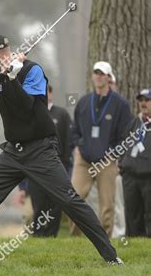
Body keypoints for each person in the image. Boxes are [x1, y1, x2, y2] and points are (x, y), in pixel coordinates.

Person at [0, 32, 121, 271]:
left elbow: (27, 107)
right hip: (13, 152)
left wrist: (14, 76)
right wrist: (7, 72)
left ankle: (111, 257)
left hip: (40, 150)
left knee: (69, 200)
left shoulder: (33, 71)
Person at [70, 61, 132, 236]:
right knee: (74, 200)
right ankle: (74, 241)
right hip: (84, 160)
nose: (98, 76)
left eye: (102, 73)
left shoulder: (121, 104)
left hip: (107, 161)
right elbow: (75, 130)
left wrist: (114, 154)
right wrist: (77, 146)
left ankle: (104, 242)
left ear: (108, 77)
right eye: (96, 73)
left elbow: (125, 135)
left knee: (107, 205)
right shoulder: (83, 102)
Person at [28, 84, 73, 237]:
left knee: (56, 204)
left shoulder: (62, 114)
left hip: (56, 166)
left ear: (51, 93)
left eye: (45, 91)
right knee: (38, 204)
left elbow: (68, 142)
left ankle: (52, 234)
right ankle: (38, 235)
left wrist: (66, 167)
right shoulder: (31, 113)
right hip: (35, 167)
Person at [119, 88, 151, 237]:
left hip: (148, 176)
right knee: (132, 213)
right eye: (141, 101)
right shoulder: (134, 123)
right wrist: (122, 165)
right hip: (130, 176)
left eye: (147, 100)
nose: (143, 104)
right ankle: (134, 244)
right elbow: (123, 144)